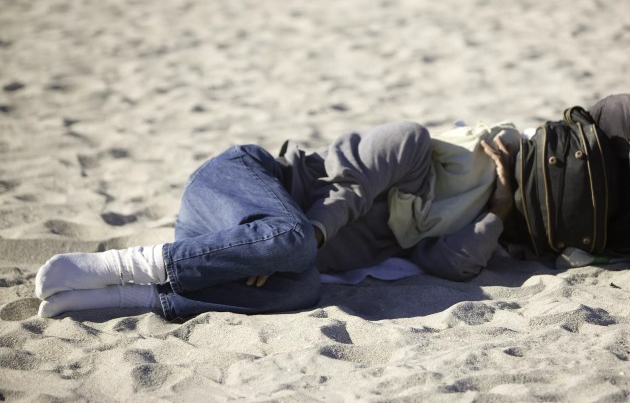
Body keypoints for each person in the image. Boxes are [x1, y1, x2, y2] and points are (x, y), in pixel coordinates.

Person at [35, 120, 519, 319]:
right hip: (233, 185)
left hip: (239, 252)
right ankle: (118, 266)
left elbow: (452, 265)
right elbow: (345, 190)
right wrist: (289, 244)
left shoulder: (435, 225)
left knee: (304, 290)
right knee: (295, 241)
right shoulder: (410, 142)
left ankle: (134, 297)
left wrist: (499, 206)